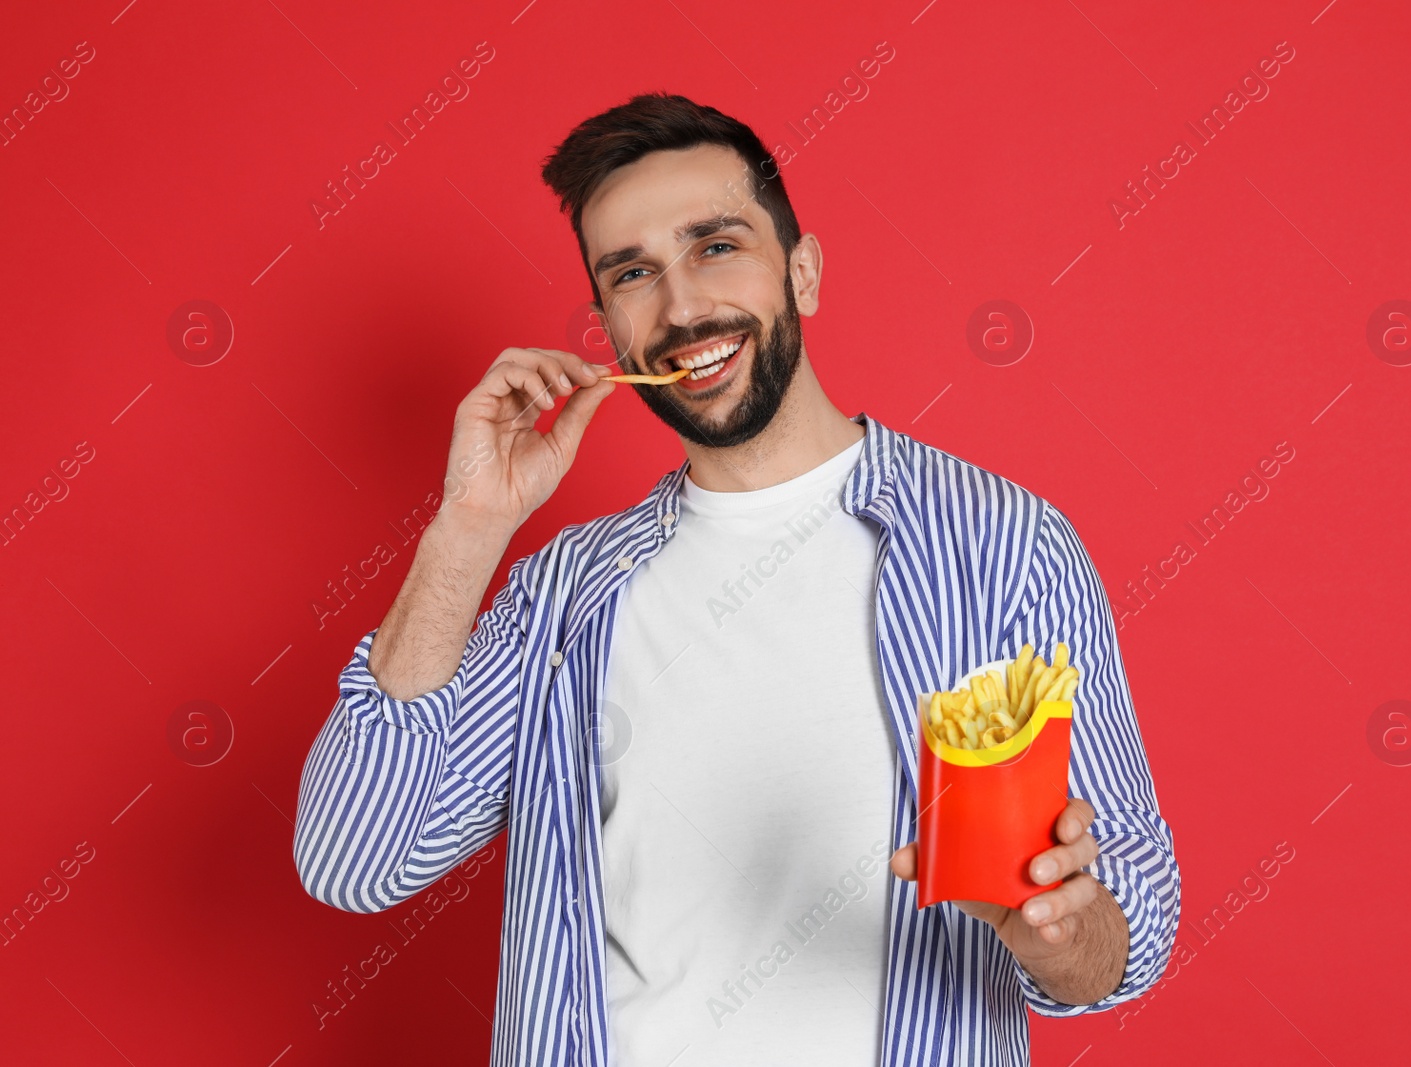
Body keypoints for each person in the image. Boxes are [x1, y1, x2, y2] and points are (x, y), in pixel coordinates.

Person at [293, 92, 1180, 1067]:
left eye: (716, 245)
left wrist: (1051, 929)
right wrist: (469, 526)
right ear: (608, 326)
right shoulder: (565, 593)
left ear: (801, 270)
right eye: (633, 273)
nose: (680, 308)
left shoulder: (1003, 545)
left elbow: (1123, 929)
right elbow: (355, 858)